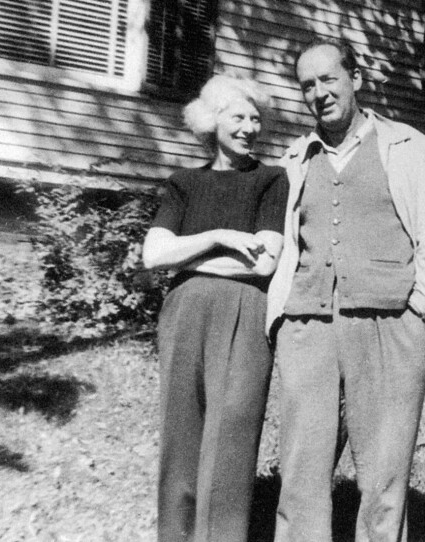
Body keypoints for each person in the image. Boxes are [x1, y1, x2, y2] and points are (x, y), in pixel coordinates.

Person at [266, 38, 425, 542]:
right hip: (308, 326)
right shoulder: (292, 159)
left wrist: (418, 311)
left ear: (356, 78)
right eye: (307, 85)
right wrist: (282, 321)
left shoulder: (410, 148)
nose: (319, 93)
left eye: (329, 79)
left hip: (390, 327)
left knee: (383, 474)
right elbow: (283, 245)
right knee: (301, 471)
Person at [142, 74, 288, 542]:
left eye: (256, 118)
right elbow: (153, 255)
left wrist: (189, 252)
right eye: (238, 116)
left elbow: (263, 262)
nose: (249, 127)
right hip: (184, 313)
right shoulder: (184, 183)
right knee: (181, 431)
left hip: (245, 314)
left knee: (232, 435)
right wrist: (220, 237)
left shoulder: (271, 180)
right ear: (212, 120)